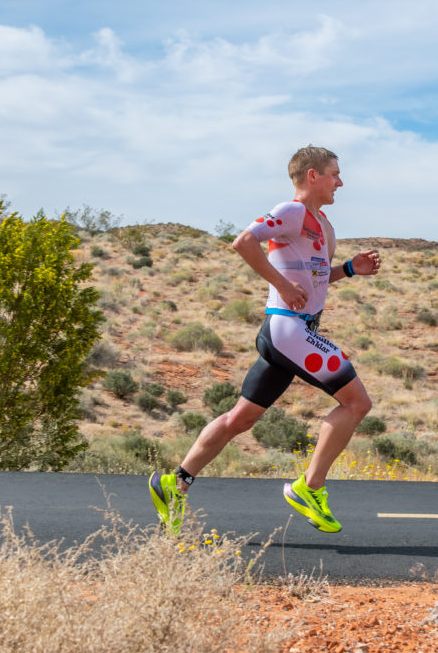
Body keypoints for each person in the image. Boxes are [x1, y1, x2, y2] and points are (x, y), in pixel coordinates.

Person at [149, 146, 381, 535]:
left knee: (240, 419)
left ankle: (176, 482)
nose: (340, 182)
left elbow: (315, 283)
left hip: (296, 333)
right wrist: (281, 285)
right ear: (312, 175)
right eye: (334, 174)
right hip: (287, 330)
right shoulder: (291, 212)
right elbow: (243, 242)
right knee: (357, 403)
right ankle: (309, 488)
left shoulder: (323, 225)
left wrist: (349, 270)